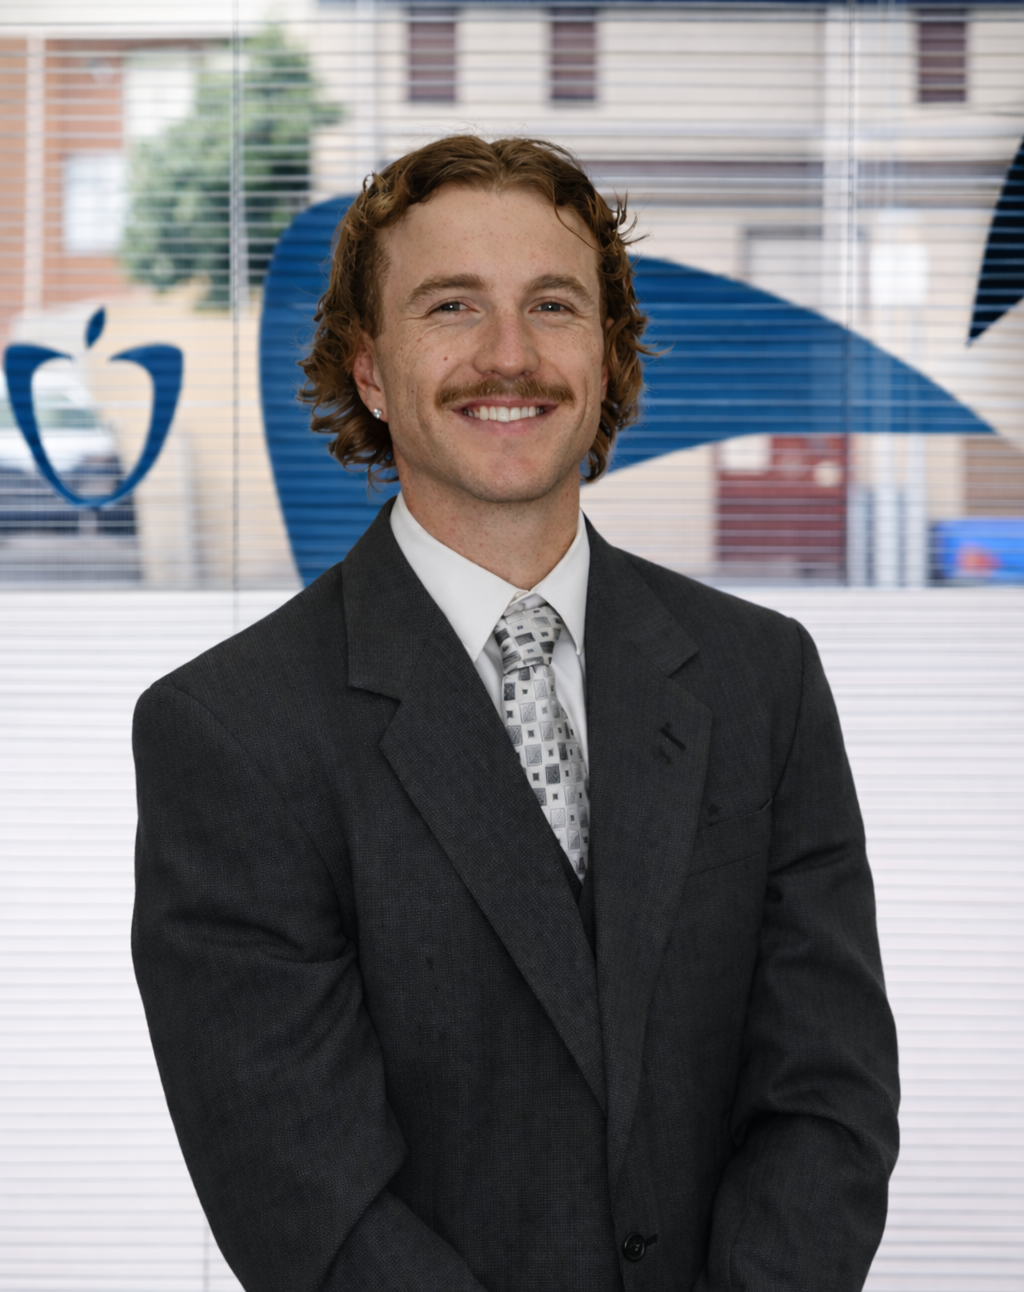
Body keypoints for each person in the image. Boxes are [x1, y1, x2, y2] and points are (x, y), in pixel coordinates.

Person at [132, 135, 899, 1292]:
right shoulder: (232, 732)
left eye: (552, 304)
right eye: (452, 306)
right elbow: (305, 1198)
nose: (509, 355)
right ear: (369, 369)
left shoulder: (763, 678)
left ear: (607, 353)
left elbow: (828, 1098)